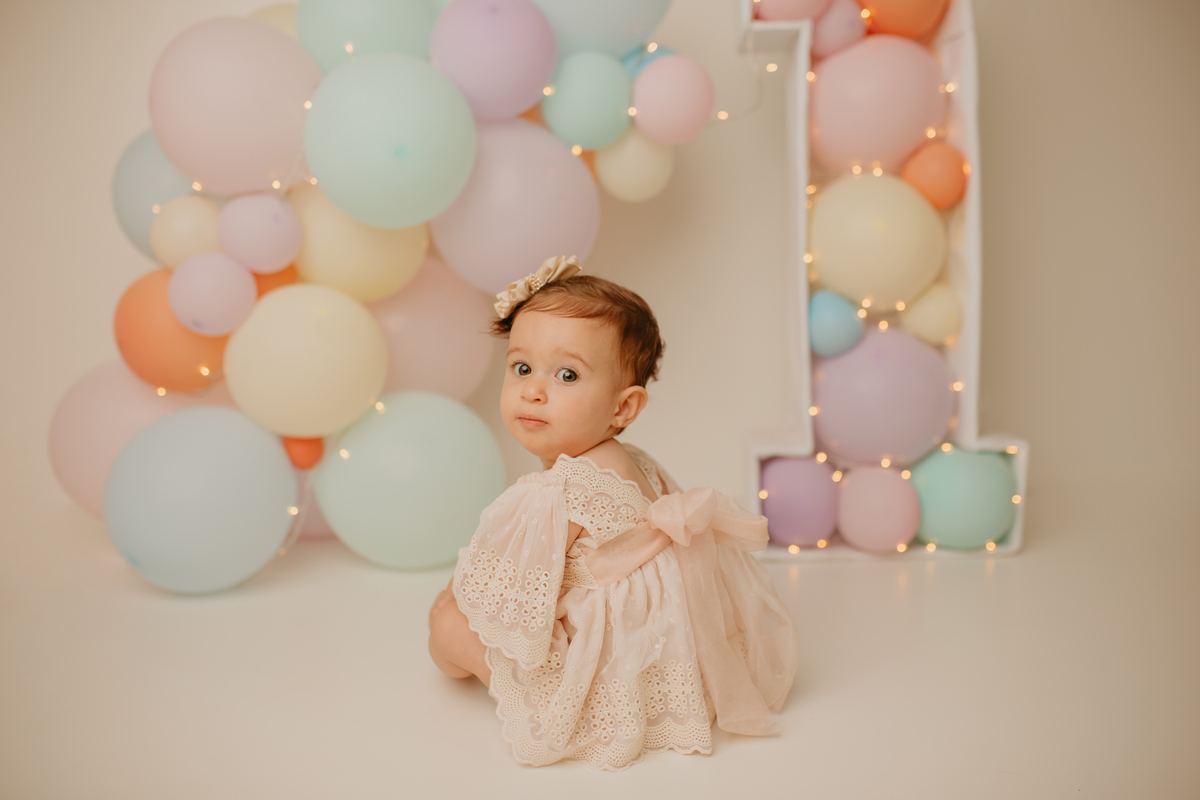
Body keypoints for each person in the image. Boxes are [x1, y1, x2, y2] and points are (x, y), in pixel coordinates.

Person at [428, 255, 799, 770]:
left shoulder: (554, 493)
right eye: (521, 367)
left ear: (623, 408)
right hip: (665, 638)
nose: (534, 389)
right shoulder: (636, 463)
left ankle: (555, 701)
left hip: (616, 652)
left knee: (448, 623)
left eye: (566, 374)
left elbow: (508, 590)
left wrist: (464, 609)